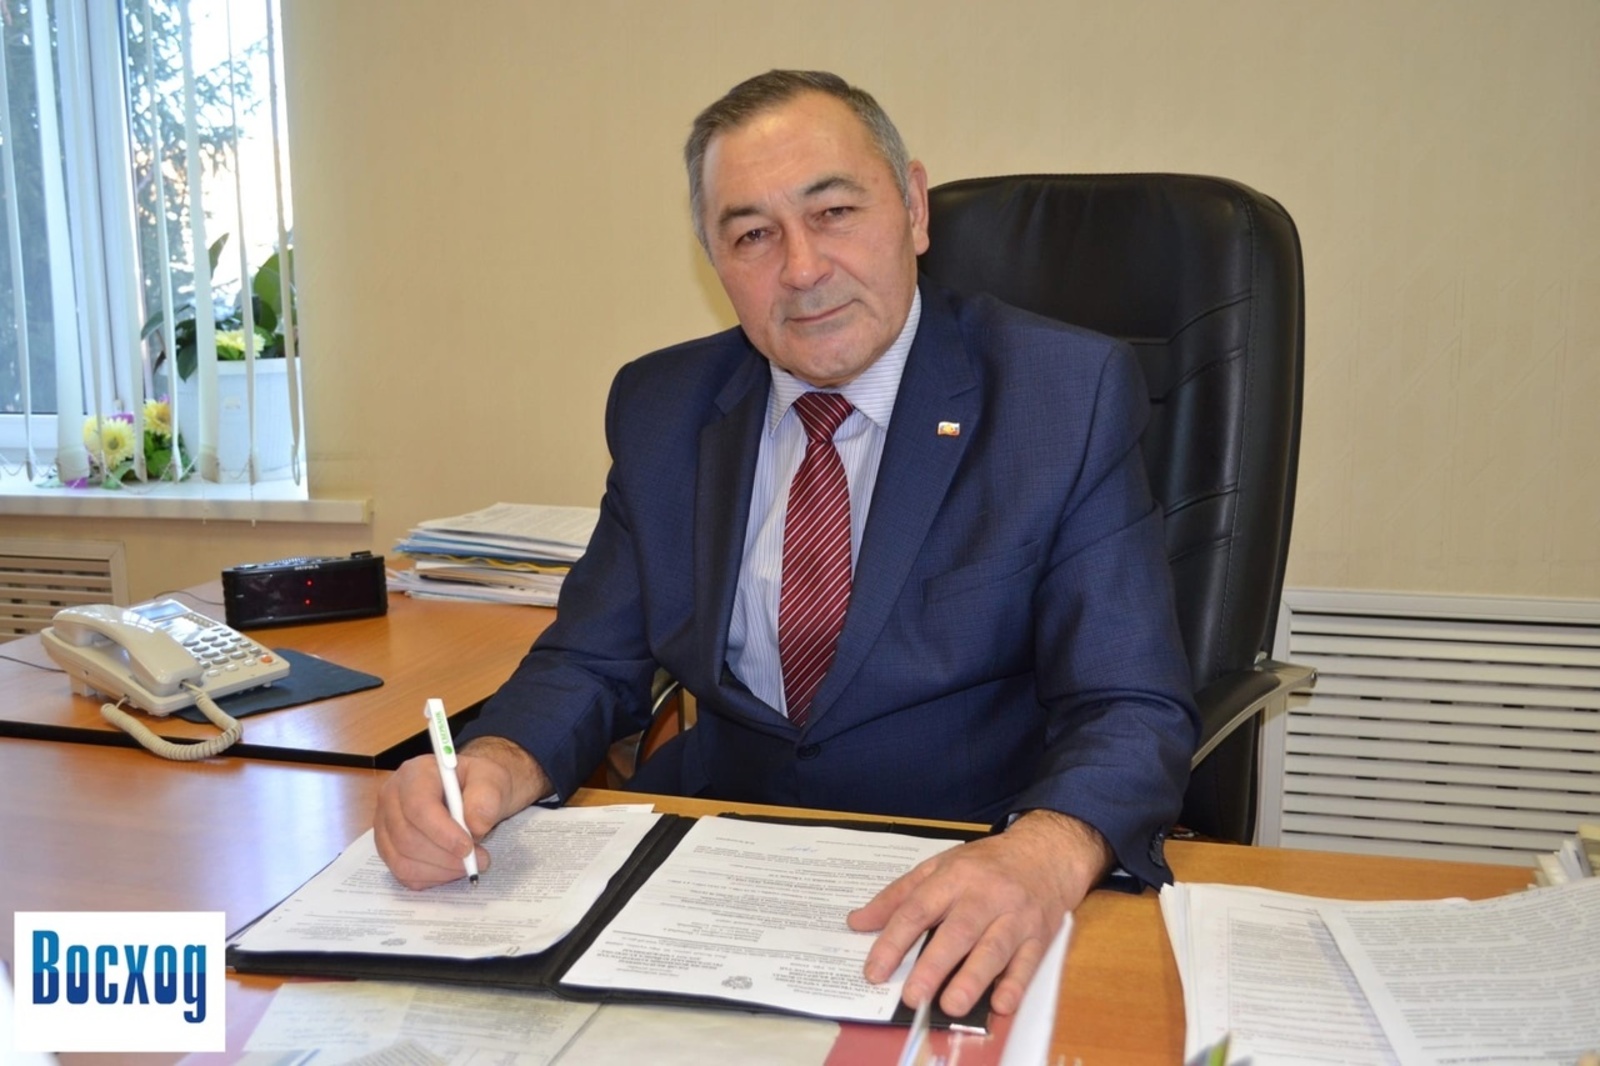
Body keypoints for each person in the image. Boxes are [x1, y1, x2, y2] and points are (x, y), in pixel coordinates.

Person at [374, 69, 1198, 1019]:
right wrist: (492, 765)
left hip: (967, 865)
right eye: (753, 235)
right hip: (720, 871)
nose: (802, 269)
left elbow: (1130, 704)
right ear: (714, 260)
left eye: (834, 211)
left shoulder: (1062, 394)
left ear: (914, 208)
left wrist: (1043, 852)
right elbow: (589, 660)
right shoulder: (663, 407)